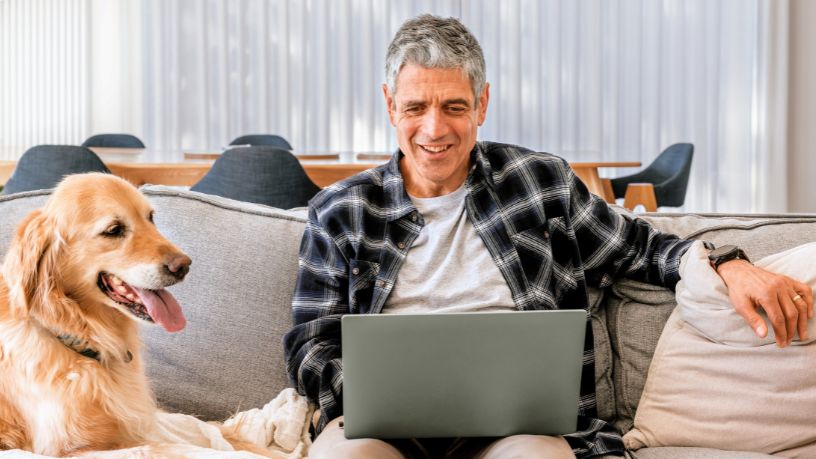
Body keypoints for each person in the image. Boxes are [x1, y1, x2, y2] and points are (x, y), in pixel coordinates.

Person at [283, 14, 814, 459]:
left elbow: (643, 248)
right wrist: (377, 391)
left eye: (455, 107)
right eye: (416, 107)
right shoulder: (340, 211)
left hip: (518, 430)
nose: (434, 129)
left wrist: (728, 263)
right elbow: (310, 344)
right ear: (390, 104)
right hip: (385, 431)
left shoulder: (541, 185)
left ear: (483, 104)